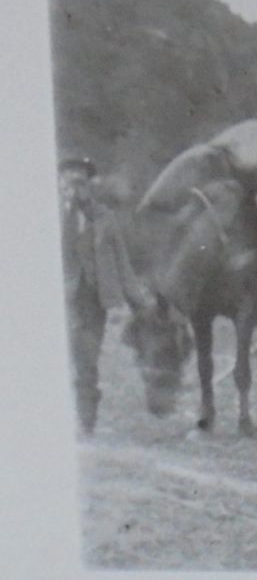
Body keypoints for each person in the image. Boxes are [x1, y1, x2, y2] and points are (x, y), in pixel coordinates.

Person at [59, 155, 148, 433]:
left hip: (92, 301)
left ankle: (86, 422)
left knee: (87, 358)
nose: (76, 182)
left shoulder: (103, 217)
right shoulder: (48, 213)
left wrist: (140, 305)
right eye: (70, 177)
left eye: (82, 178)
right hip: (58, 299)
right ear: (60, 181)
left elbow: (121, 261)